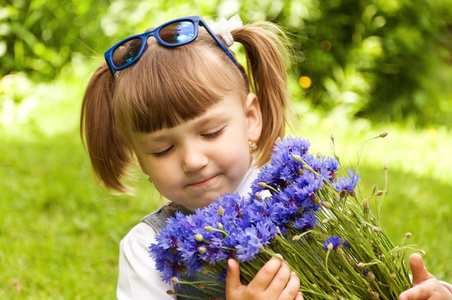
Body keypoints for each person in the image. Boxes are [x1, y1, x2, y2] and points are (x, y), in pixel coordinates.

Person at [80, 14, 452, 300]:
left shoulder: (312, 199)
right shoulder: (147, 249)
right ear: (141, 160)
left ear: (251, 120)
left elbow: (372, 281)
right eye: (162, 149)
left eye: (210, 132)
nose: (192, 160)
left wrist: (430, 291)